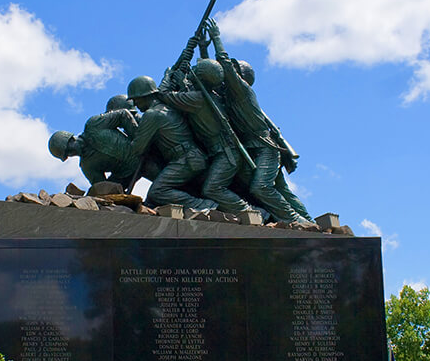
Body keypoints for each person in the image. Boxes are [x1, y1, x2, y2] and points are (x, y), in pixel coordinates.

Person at [205, 18, 313, 226]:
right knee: (281, 189)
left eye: (234, 71)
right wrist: (203, 49)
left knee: (261, 187)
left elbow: (224, 67)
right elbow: (212, 74)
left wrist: (216, 39)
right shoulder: (229, 95)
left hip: (266, 148)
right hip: (254, 149)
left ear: (240, 77)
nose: (227, 74)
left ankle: (297, 222)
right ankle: (308, 221)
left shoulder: (242, 92)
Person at [157, 45, 254, 214]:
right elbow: (205, 73)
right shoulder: (212, 96)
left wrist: (167, 75)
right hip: (221, 153)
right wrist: (197, 49)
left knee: (212, 189)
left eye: (195, 70)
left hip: (226, 154)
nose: (192, 70)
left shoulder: (197, 99)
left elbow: (164, 94)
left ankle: (253, 213)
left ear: (200, 78)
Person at [127, 74, 217, 211]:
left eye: (136, 99)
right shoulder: (166, 109)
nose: (135, 105)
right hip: (188, 158)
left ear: (145, 96)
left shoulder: (152, 115)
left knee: (157, 192)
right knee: (153, 199)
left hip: (186, 160)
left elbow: (137, 148)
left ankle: (204, 206)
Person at [48, 98, 141, 190]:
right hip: (128, 174)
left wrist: (140, 140)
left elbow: (123, 115)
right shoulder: (87, 166)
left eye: (68, 150)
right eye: (67, 155)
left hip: (145, 155)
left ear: (71, 139)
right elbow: (102, 187)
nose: (71, 153)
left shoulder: (93, 125)